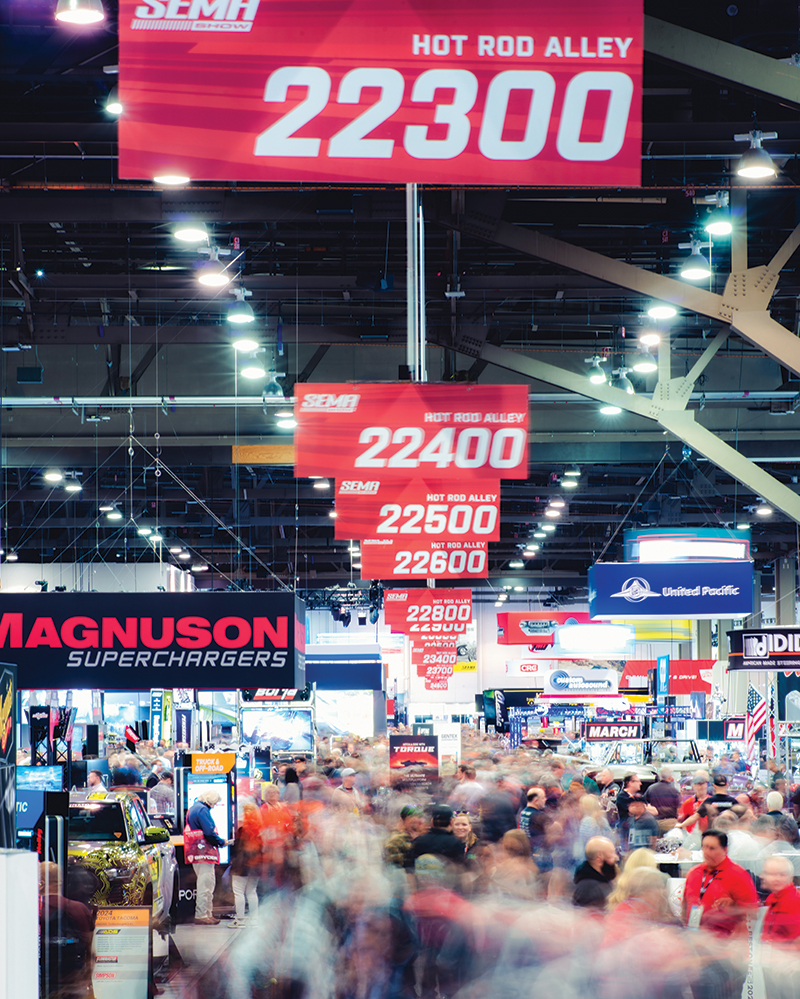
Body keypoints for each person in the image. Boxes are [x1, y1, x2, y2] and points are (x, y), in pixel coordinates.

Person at [683, 830, 758, 935]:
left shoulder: (738, 875)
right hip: (694, 939)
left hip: (725, 944)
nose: (706, 852)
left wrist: (733, 905)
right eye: (704, 847)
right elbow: (685, 907)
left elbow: (752, 913)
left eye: (712, 848)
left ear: (725, 850)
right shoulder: (694, 873)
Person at [185, 788, 229, 925]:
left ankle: (207, 914)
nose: (215, 806)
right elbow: (209, 832)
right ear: (210, 801)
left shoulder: (194, 808)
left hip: (196, 853)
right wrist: (221, 842)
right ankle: (202, 915)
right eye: (215, 803)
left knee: (205, 883)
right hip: (204, 853)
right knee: (206, 884)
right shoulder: (202, 810)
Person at [229, 802, 263, 928]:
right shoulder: (260, 829)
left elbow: (239, 848)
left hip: (241, 865)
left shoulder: (243, 830)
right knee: (252, 891)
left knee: (238, 892)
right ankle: (254, 919)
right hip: (255, 865)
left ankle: (240, 919)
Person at [761, 854, 800, 943]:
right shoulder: (771, 898)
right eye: (772, 874)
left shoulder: (794, 901)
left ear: (791, 877)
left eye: (782, 875)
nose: (777, 879)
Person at [573, 836, 618, 909]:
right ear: (599, 858)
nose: (616, 857)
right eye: (611, 853)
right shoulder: (588, 889)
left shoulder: (600, 881)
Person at [644, 766, 681, 832]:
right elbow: (679, 810)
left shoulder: (651, 788)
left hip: (654, 823)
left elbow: (643, 803)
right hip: (671, 824)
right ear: (670, 777)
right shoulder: (674, 791)